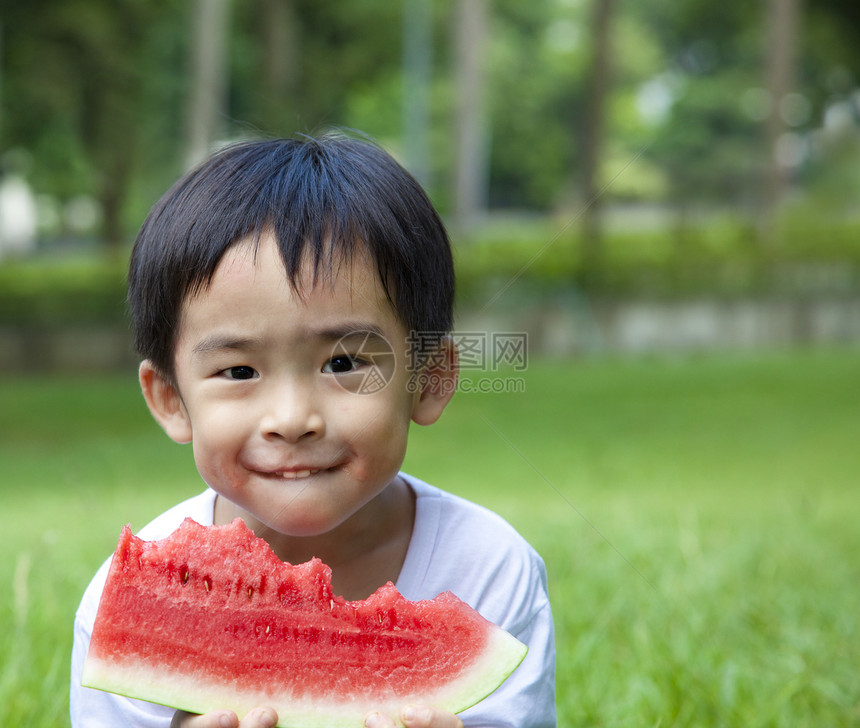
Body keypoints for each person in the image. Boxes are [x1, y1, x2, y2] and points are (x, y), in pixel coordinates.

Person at [71, 133, 556, 728]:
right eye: (239, 370)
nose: (293, 419)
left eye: (345, 364)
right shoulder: (130, 602)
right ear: (171, 399)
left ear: (428, 380)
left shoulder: (488, 568)